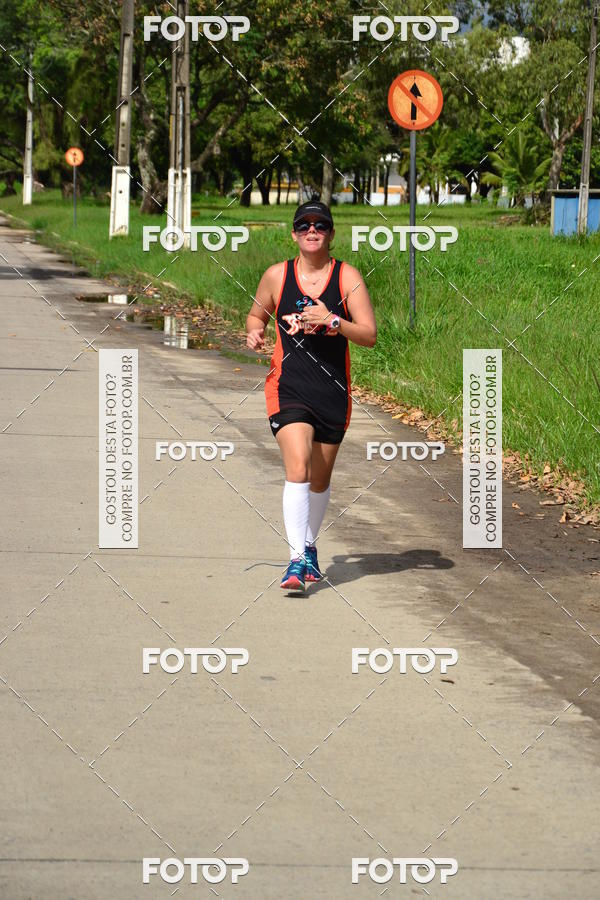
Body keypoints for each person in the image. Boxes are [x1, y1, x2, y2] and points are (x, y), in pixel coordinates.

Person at [246, 200, 377, 591]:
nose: (312, 229)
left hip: (332, 392)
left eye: (320, 224)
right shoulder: (277, 276)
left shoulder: (346, 277)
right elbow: (257, 315)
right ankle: (296, 559)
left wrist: (333, 321)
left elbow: (369, 335)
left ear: (331, 234)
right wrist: (254, 331)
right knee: (298, 466)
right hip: (287, 388)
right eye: (304, 224)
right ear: (294, 234)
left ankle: (309, 545)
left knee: (319, 480)